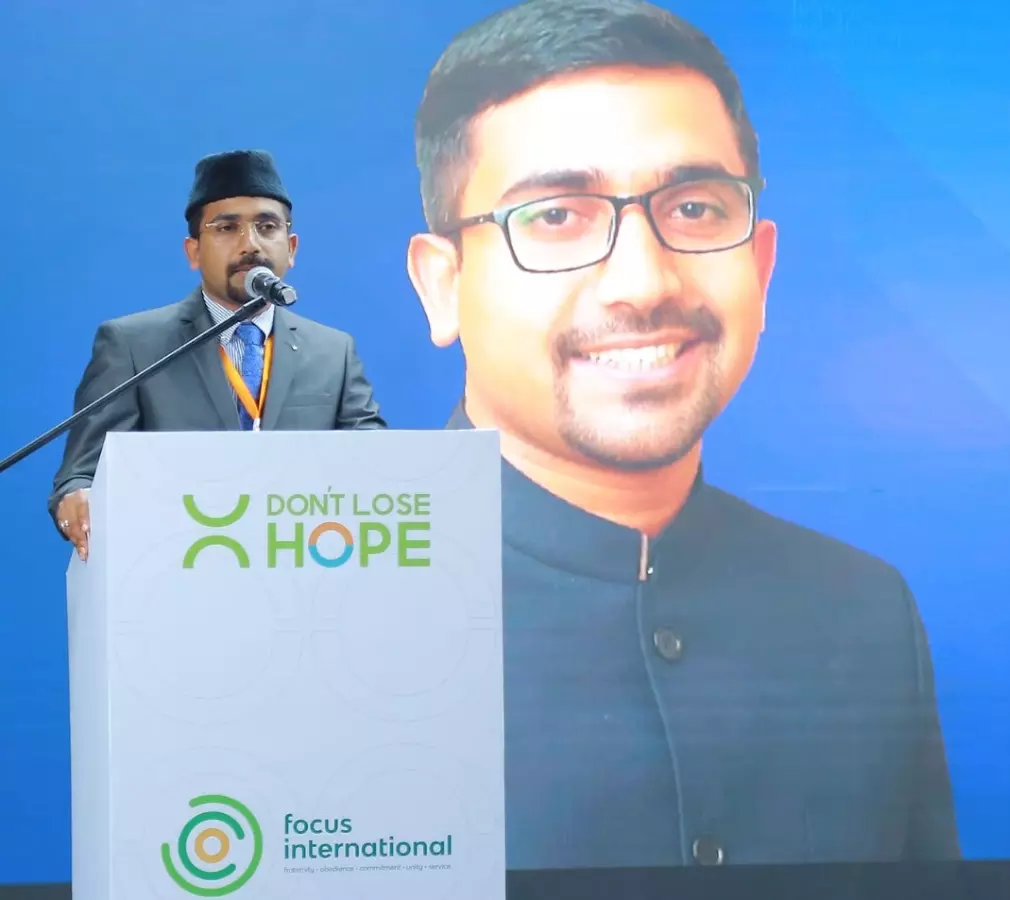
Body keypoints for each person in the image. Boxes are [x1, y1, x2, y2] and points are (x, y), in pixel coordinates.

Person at [406, 0, 960, 869]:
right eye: (556, 216)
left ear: (761, 268)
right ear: (443, 286)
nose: (643, 281)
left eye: (695, 208)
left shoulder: (861, 610)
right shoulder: (317, 608)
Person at [50, 149, 386, 560]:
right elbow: (83, 471)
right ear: (193, 251)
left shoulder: (334, 352)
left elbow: (377, 467)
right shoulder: (132, 345)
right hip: (179, 563)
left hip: (304, 565)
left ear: (291, 247)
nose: (251, 244)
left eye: (267, 227)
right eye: (227, 228)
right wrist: (76, 495)